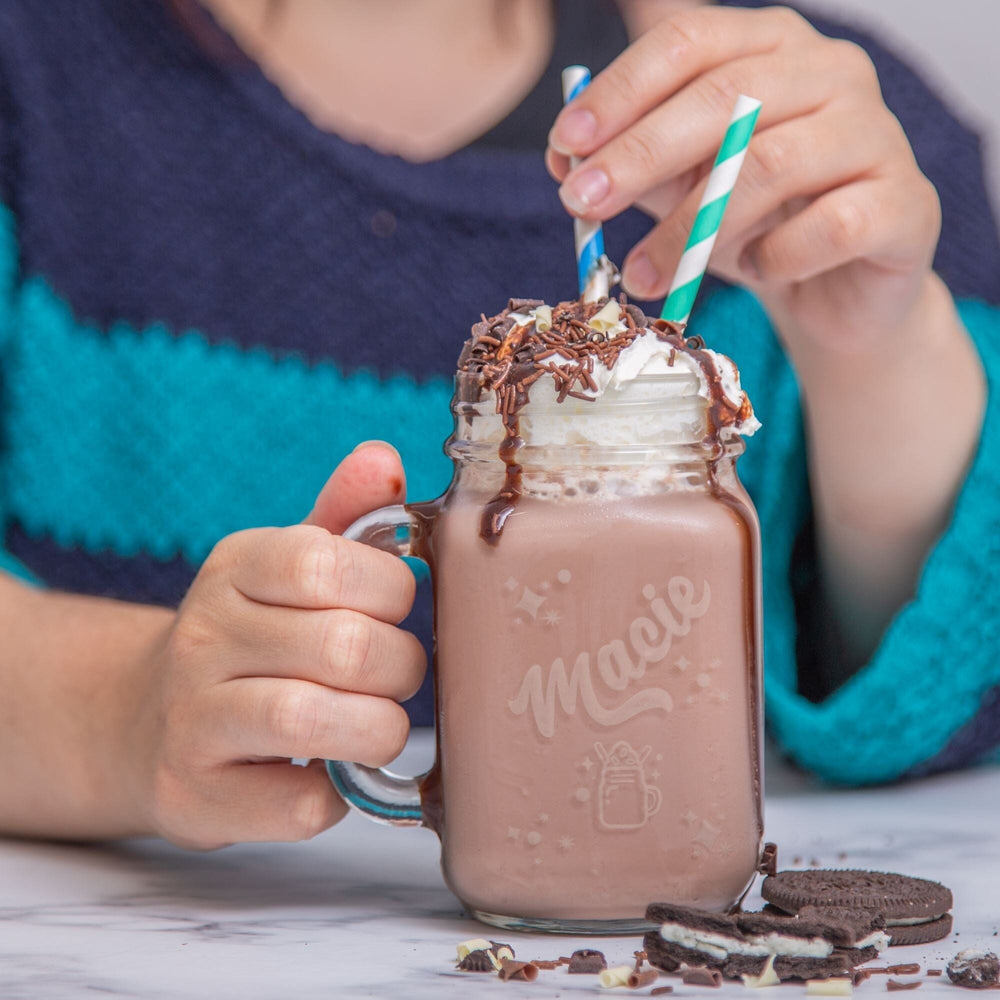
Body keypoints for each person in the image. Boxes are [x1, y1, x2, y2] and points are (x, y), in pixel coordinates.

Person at [0, 0, 997, 850]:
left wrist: (878, 351)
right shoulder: (36, 85)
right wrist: (126, 708)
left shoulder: (815, 149)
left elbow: (937, 671)